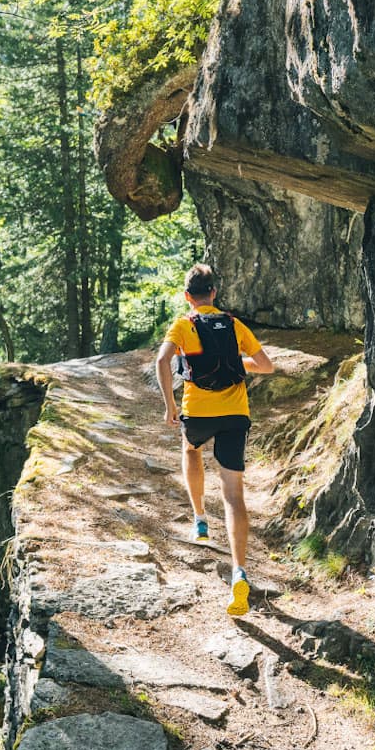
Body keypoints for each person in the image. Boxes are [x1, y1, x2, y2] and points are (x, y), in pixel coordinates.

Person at [156, 263, 275, 616]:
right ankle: (240, 570)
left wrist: (170, 405)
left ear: (187, 296)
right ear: (214, 293)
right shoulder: (235, 325)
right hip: (235, 415)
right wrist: (239, 365)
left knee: (191, 450)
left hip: (198, 413)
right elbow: (266, 365)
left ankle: (200, 520)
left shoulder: (183, 324)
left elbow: (163, 360)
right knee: (235, 495)